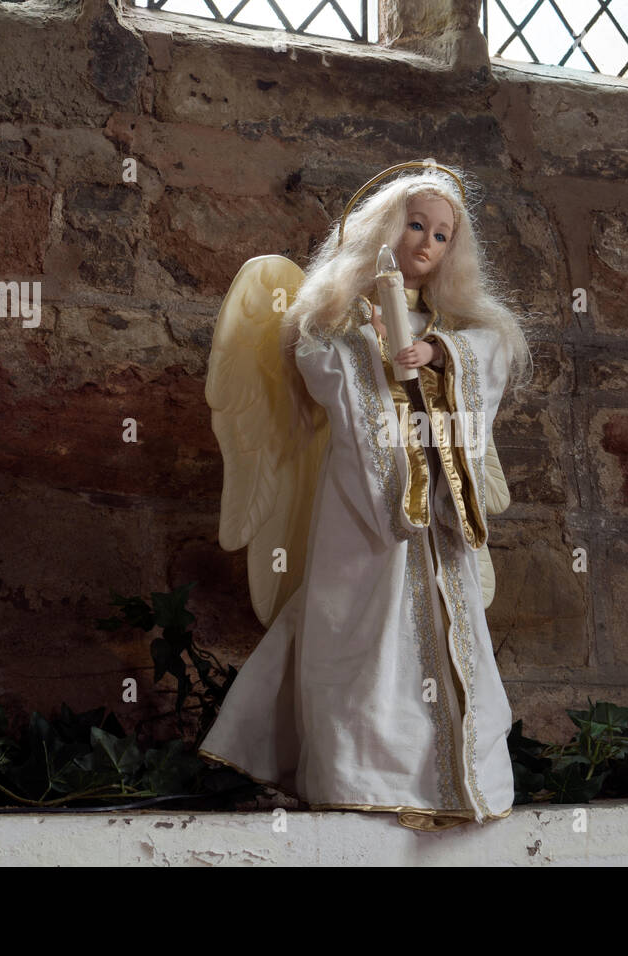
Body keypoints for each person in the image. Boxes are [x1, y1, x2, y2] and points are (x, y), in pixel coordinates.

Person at [198, 160, 532, 830]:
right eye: (416, 225)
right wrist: (370, 344)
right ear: (386, 227)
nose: (426, 243)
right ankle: (359, 769)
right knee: (359, 626)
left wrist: (437, 355)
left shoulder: (454, 327)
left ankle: (443, 776)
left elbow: (490, 353)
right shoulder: (341, 313)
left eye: (441, 234)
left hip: (434, 513)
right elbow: (316, 361)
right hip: (365, 502)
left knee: (445, 626)